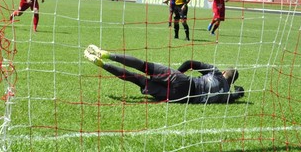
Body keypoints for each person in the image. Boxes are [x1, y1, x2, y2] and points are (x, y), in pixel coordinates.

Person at [83, 45, 244, 104]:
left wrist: (175, 75)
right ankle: (103, 65)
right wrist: (239, 92)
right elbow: (236, 96)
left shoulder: (215, 72)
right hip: (181, 97)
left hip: (184, 81)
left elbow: (190, 63)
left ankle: (107, 55)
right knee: (138, 80)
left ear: (224, 72)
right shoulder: (225, 95)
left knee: (143, 66)